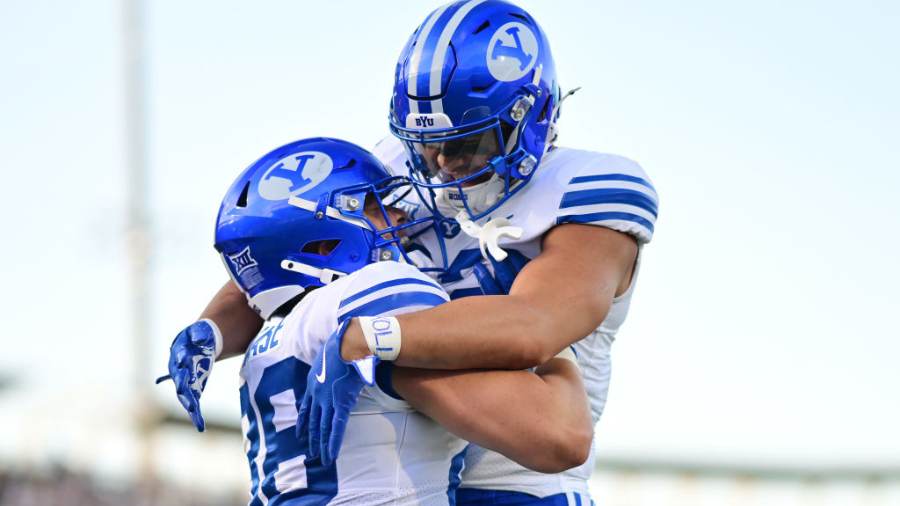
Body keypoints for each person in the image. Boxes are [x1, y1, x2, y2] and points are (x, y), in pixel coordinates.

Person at [169, 1, 658, 504]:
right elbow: (295, 253)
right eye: (428, 146)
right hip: (412, 461)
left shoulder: (588, 194)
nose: (444, 164)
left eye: (467, 142)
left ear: (527, 118)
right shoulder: (396, 168)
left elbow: (532, 325)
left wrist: (370, 337)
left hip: (517, 479)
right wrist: (212, 328)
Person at [161, 137, 593, 505]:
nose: (400, 220)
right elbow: (561, 437)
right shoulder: (377, 291)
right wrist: (559, 340)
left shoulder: (269, 343)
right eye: (373, 206)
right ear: (324, 238)